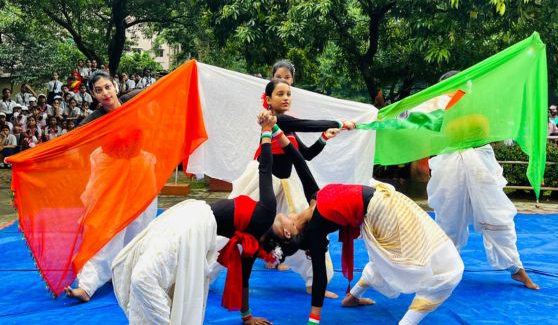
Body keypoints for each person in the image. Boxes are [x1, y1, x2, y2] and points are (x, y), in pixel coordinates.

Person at [112, 112, 284, 325]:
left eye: (293, 224)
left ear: (285, 232)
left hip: (194, 226)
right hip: (191, 216)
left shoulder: (265, 217)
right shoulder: (250, 241)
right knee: (133, 267)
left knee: (144, 278)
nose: (291, 217)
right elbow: (244, 280)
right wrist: (246, 316)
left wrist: (267, 130)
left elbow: (265, 168)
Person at [266, 140, 463, 325]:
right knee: (445, 268)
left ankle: (353, 296)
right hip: (387, 213)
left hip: (390, 205)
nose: (275, 217)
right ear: (287, 233)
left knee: (392, 258)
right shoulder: (316, 228)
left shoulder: (312, 200)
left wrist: (273, 129)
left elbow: (299, 161)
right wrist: (313, 319)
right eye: (274, 226)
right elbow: (319, 277)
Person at [224, 78, 355, 297]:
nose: (286, 98)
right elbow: (306, 124)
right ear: (268, 99)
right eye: (280, 94)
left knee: (310, 229)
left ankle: (315, 282)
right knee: (230, 229)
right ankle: (202, 271)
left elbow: (305, 155)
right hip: (262, 183)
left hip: (286, 186)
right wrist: (338, 122)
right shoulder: (276, 121)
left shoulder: (288, 129)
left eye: (289, 94)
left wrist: (324, 137)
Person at [427, 70, 539, 292]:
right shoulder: (439, 111)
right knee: (448, 218)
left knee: (496, 215)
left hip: (478, 163)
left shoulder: (480, 106)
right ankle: (440, 269)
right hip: (450, 166)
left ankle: (516, 268)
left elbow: (491, 130)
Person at [64, 70, 157, 302]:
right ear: (93, 95)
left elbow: (161, 89)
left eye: (107, 87)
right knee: (107, 228)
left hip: (140, 170)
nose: (105, 93)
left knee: (140, 225)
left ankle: (132, 271)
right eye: (98, 90)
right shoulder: (94, 119)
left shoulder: (132, 99)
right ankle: (87, 285)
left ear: (115, 86)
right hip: (110, 174)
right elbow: (68, 140)